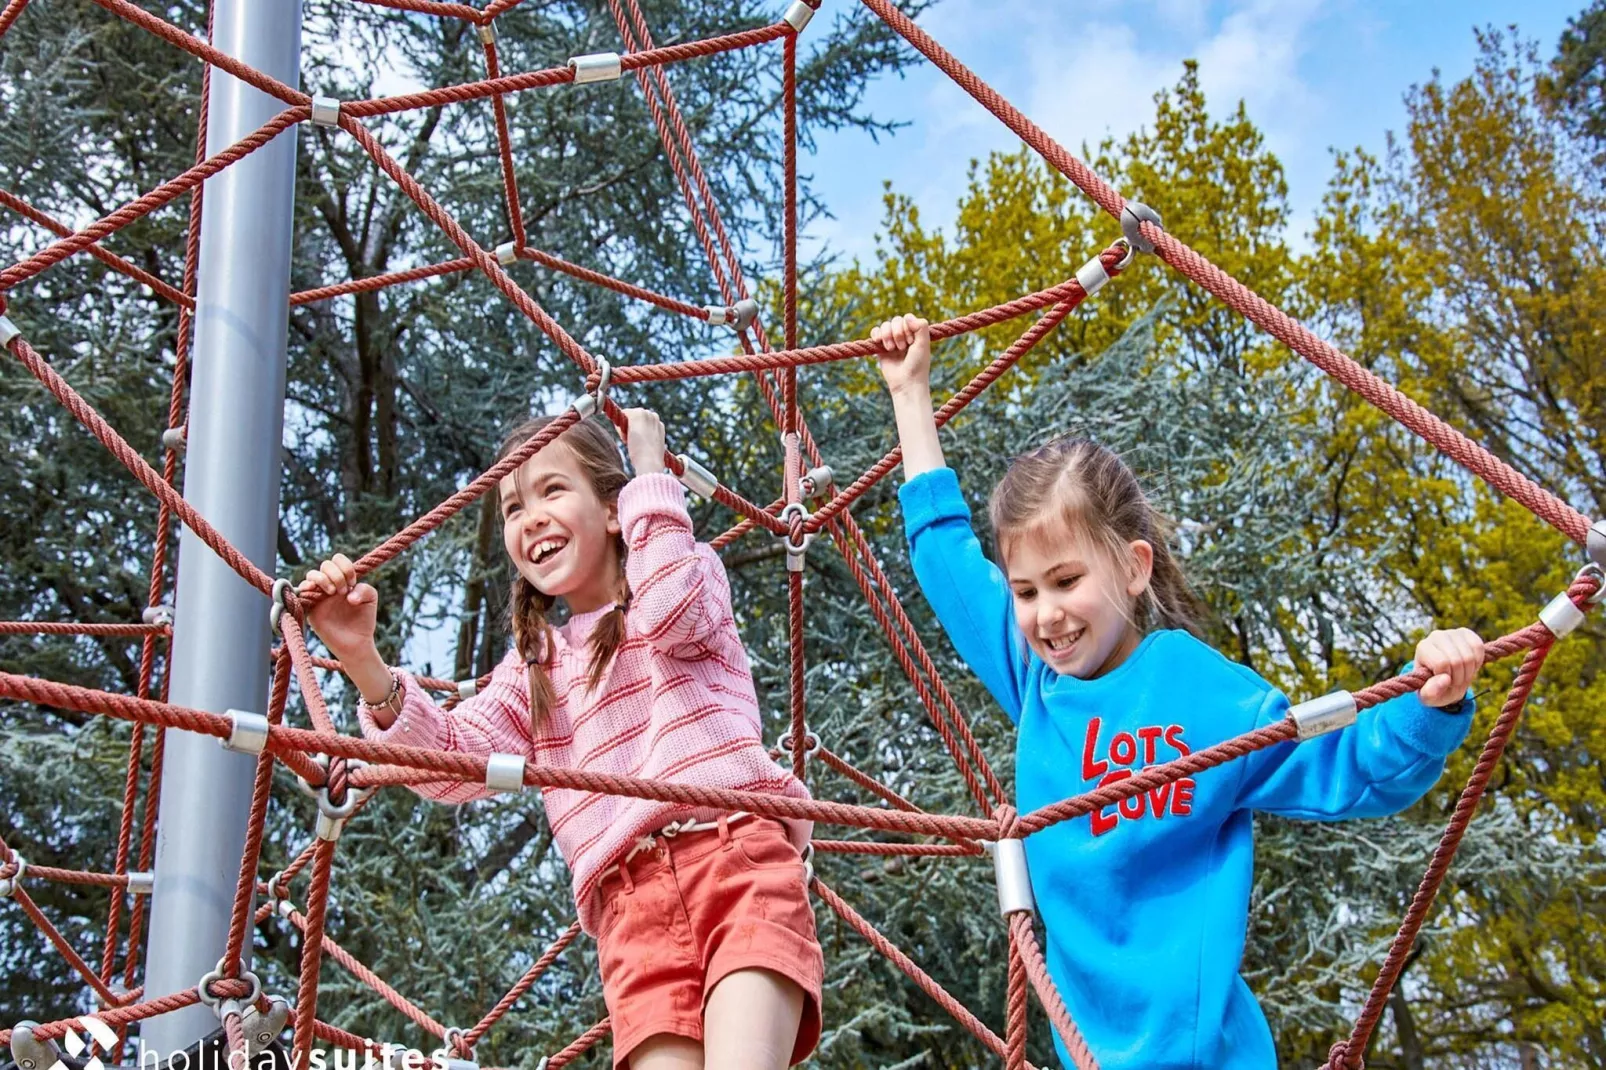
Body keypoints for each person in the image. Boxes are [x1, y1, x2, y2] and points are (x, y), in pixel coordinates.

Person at [870, 312, 1486, 1069]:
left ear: (1133, 568)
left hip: (1208, 1055)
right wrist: (910, 395)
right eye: (1026, 592)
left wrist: (1432, 703)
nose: (1046, 614)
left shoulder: (1200, 693)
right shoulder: (1035, 681)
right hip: (1089, 1052)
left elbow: (1346, 767)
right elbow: (946, 560)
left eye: (1067, 580)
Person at [298, 408, 824, 1070]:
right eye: (514, 507)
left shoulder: (688, 572)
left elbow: (671, 614)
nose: (532, 517)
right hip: (632, 915)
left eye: (552, 490)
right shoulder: (535, 666)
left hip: (734, 860)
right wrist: (363, 661)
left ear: (613, 510)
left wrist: (650, 477)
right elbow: (452, 765)